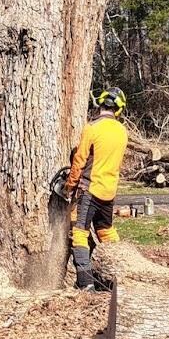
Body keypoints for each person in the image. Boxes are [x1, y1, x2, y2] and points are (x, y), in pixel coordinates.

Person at [65, 87, 128, 290]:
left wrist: (70, 185)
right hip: (109, 190)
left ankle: (85, 283)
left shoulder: (91, 128)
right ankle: (121, 274)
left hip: (90, 188)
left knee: (80, 232)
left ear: (100, 104)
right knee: (106, 231)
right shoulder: (122, 131)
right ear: (118, 110)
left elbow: (79, 160)